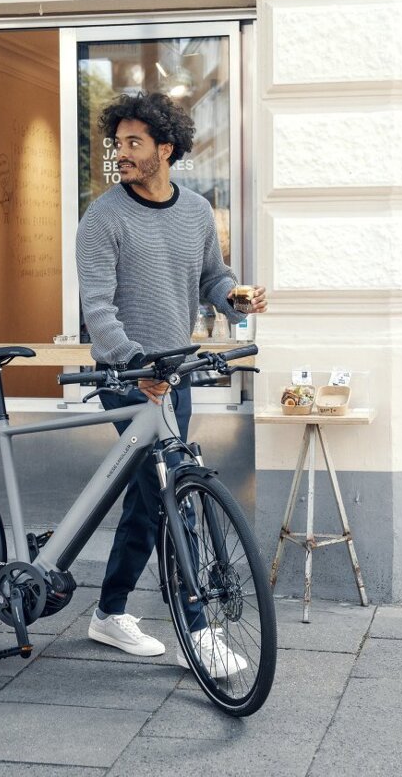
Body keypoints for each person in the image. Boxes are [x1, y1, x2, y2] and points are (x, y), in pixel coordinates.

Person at [76, 92, 267, 676]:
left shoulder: (197, 212)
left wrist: (234, 298)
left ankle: (109, 613)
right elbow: (98, 309)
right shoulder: (103, 218)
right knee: (171, 496)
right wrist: (136, 363)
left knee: (150, 496)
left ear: (166, 148)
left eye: (134, 143)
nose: (122, 153)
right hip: (128, 375)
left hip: (173, 375)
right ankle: (198, 630)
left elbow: (212, 277)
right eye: (118, 143)